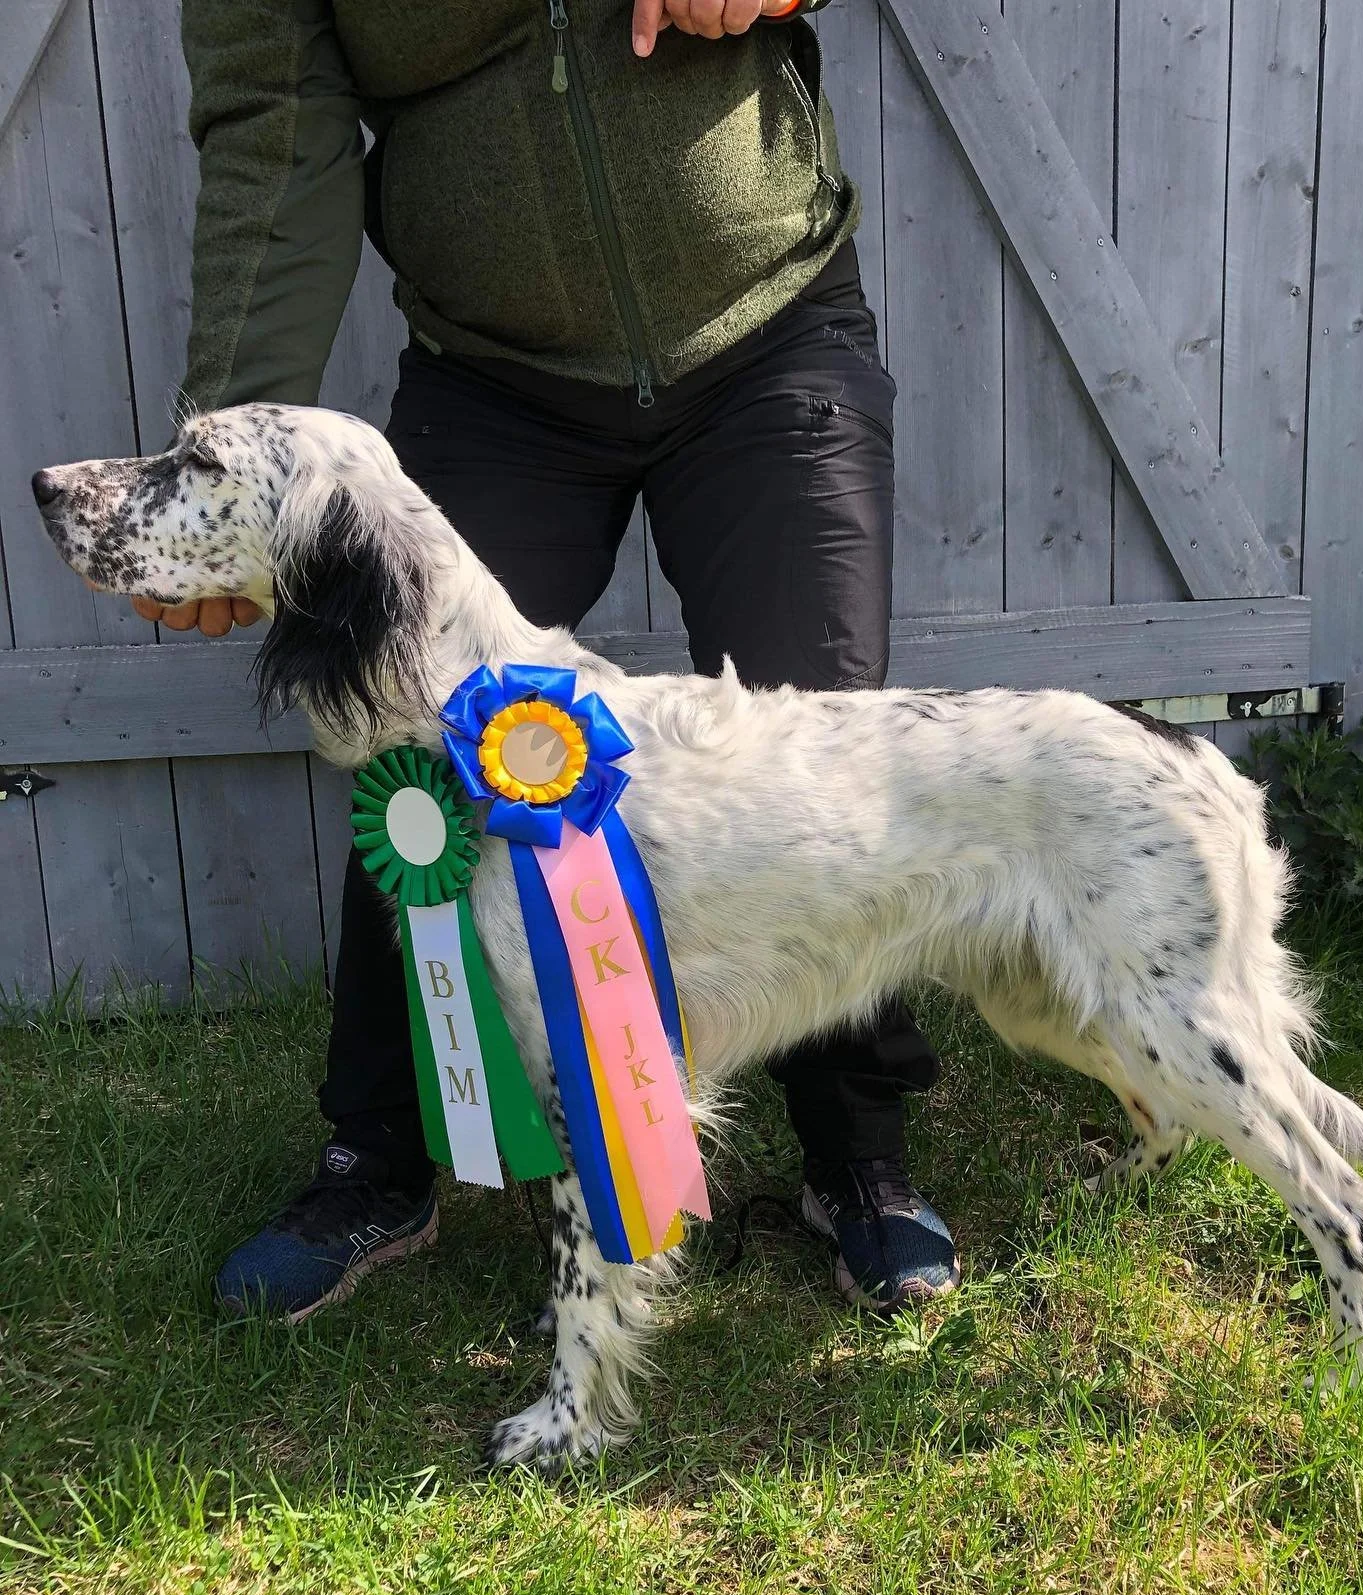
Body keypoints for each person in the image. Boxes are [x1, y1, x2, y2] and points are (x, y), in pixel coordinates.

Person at [154, 0, 960, 1323]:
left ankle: (857, 1160)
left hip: (766, 331)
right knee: (416, 741)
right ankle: (379, 1158)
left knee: (826, 737)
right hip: (497, 382)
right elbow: (273, 130)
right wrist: (214, 483)